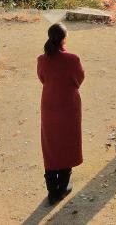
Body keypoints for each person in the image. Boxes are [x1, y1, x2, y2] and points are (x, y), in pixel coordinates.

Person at [36, 22, 84, 204]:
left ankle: (51, 191)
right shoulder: (73, 59)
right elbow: (78, 79)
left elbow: (42, 78)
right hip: (68, 104)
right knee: (67, 140)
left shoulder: (42, 59)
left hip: (48, 103)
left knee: (50, 142)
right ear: (64, 39)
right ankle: (62, 187)